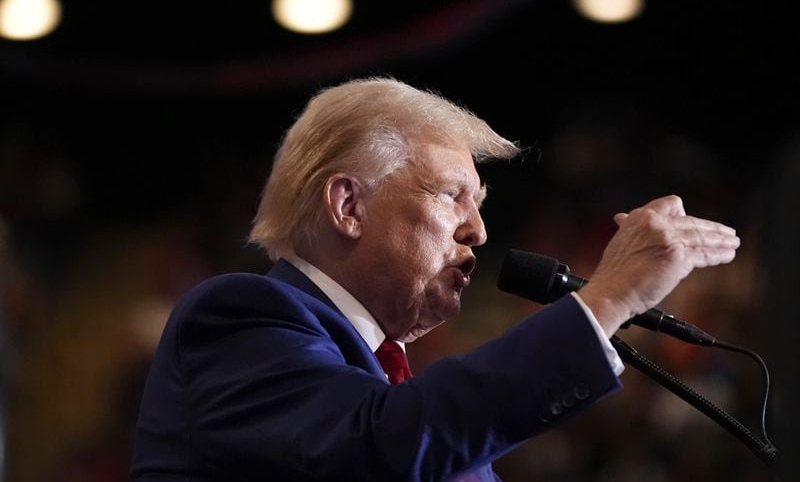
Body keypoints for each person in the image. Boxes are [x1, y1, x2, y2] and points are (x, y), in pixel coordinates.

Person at [130, 77, 740, 481]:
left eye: (481, 203)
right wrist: (609, 298)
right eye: (453, 196)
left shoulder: (389, 384)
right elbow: (382, 449)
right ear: (348, 206)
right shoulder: (239, 317)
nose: (478, 231)